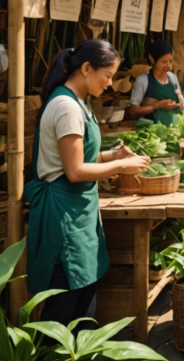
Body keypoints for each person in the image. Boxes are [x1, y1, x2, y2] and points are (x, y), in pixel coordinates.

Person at [28, 40, 151, 329]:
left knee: (83, 306)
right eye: (108, 75)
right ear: (86, 68)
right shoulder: (66, 106)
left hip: (78, 212)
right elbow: (75, 170)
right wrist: (121, 166)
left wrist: (112, 155)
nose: (110, 83)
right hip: (64, 216)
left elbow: (79, 156)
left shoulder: (79, 102)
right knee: (62, 313)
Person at [128, 40, 184, 125]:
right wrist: (157, 106)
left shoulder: (173, 78)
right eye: (163, 62)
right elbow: (133, 111)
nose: (168, 66)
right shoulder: (143, 80)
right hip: (151, 134)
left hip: (173, 131)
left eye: (170, 61)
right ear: (152, 58)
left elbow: (180, 103)